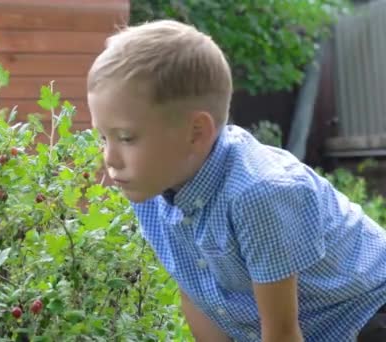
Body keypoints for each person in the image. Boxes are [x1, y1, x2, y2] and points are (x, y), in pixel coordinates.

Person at [86, 19, 386, 342]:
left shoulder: (257, 193)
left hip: (367, 310)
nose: (109, 158)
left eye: (126, 138)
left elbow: (283, 333)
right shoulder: (153, 192)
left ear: (196, 133)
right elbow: (198, 295)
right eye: (104, 137)